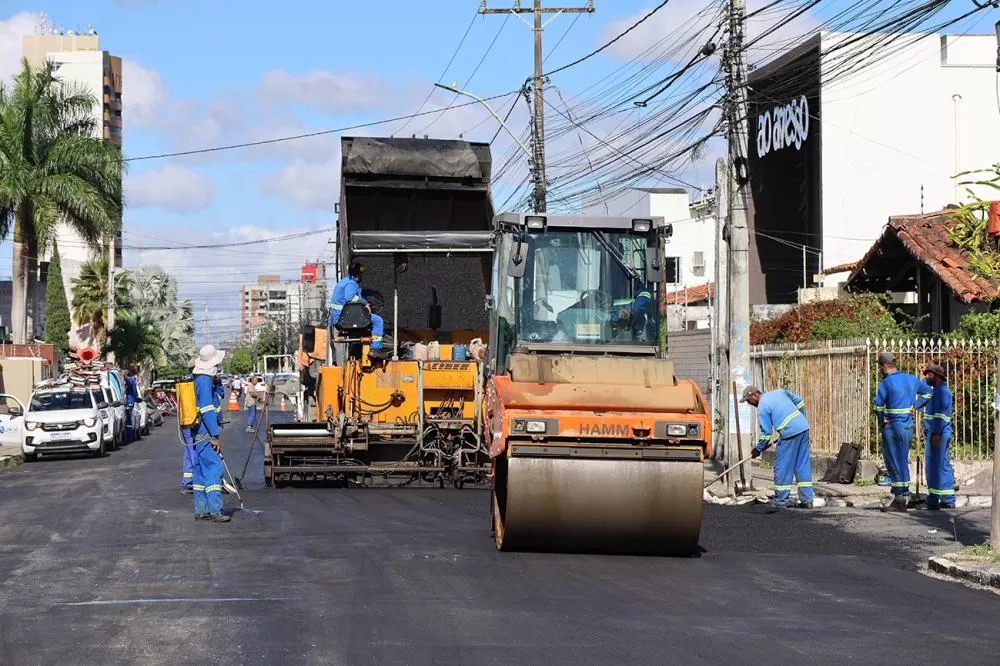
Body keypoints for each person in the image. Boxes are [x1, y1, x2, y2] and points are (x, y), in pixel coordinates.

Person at [873, 352, 933, 512]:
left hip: (892, 426)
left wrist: (881, 422)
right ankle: (904, 493)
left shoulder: (885, 383)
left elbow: (878, 406)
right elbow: (928, 392)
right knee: (902, 459)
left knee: (893, 461)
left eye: (880, 367)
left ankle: (899, 498)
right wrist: (916, 406)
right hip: (907, 427)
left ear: (884, 367)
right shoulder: (911, 379)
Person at [741, 385, 814, 509]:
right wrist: (800, 420)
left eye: (748, 401)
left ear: (754, 395)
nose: (749, 404)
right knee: (802, 465)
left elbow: (766, 434)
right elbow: (800, 402)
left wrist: (758, 449)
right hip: (803, 428)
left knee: (782, 467)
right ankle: (807, 500)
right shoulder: (779, 392)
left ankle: (781, 501)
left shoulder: (762, 407)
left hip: (790, 433)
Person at [190, 344, 230, 522]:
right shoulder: (204, 381)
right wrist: (215, 435)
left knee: (200, 471)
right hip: (206, 432)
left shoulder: (199, 379)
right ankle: (216, 511)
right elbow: (207, 409)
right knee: (214, 467)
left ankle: (201, 510)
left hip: (197, 432)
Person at [329, 262, 390, 362]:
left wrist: (372, 292)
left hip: (342, 317)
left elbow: (358, 292)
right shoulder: (351, 284)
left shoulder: (347, 281)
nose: (362, 276)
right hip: (344, 318)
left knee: (370, 320)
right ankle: (375, 349)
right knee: (378, 321)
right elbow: (350, 297)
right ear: (357, 275)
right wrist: (365, 303)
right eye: (361, 274)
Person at [922, 363, 956, 510]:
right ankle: (948, 499)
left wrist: (935, 433)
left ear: (937, 377)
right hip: (940, 432)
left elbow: (939, 416)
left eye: (929, 375)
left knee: (934, 466)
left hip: (938, 433)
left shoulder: (941, 392)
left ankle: (933, 499)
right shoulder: (937, 391)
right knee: (942, 465)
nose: (926, 377)